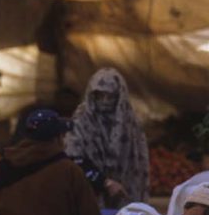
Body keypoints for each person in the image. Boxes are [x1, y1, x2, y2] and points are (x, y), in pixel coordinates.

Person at [64, 68, 149, 205]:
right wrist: (104, 182)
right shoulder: (82, 119)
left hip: (125, 194)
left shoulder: (130, 122)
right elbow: (74, 158)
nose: (105, 101)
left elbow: (140, 164)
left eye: (110, 96)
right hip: (90, 193)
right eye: (100, 96)